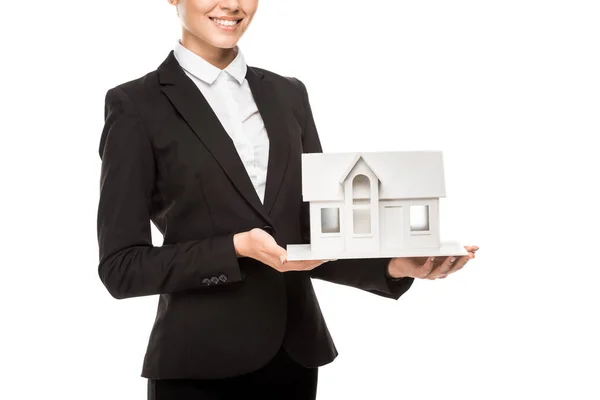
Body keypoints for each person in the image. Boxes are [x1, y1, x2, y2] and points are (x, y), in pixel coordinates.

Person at [96, 0, 478, 398]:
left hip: (293, 360)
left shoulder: (288, 93)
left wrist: (394, 264)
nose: (231, 4)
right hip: (199, 366)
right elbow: (121, 268)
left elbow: (313, 231)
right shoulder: (135, 106)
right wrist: (236, 248)